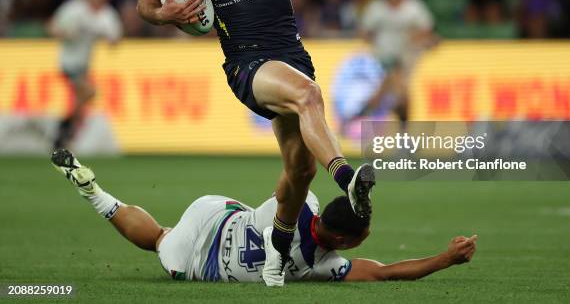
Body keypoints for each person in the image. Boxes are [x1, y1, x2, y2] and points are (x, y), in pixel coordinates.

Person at [135, 0, 375, 286]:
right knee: (308, 95)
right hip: (247, 64)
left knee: (300, 171)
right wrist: (164, 14)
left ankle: (275, 253)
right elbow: (145, 1)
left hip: (292, 56)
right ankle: (347, 178)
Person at [51, 149, 478, 283]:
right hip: (204, 263)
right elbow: (384, 273)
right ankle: (95, 195)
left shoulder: (304, 204)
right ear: (349, 240)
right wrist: (445, 258)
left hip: (215, 214)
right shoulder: (321, 264)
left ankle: (96, 192)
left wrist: (302, 153)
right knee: (161, 242)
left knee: (161, 235)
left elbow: (289, 184)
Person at [48, 0, 122, 149]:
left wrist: (109, 39)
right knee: (88, 93)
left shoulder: (106, 14)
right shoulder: (74, 8)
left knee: (81, 102)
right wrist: (64, 33)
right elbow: (52, 26)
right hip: (68, 62)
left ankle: (64, 135)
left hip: (83, 66)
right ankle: (64, 128)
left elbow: (115, 39)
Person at [359, 0, 437, 129]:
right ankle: (402, 129)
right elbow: (364, 32)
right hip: (382, 58)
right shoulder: (377, 7)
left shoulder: (415, 7)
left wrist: (417, 38)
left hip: (407, 58)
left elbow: (427, 30)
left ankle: (368, 108)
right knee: (400, 88)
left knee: (392, 91)